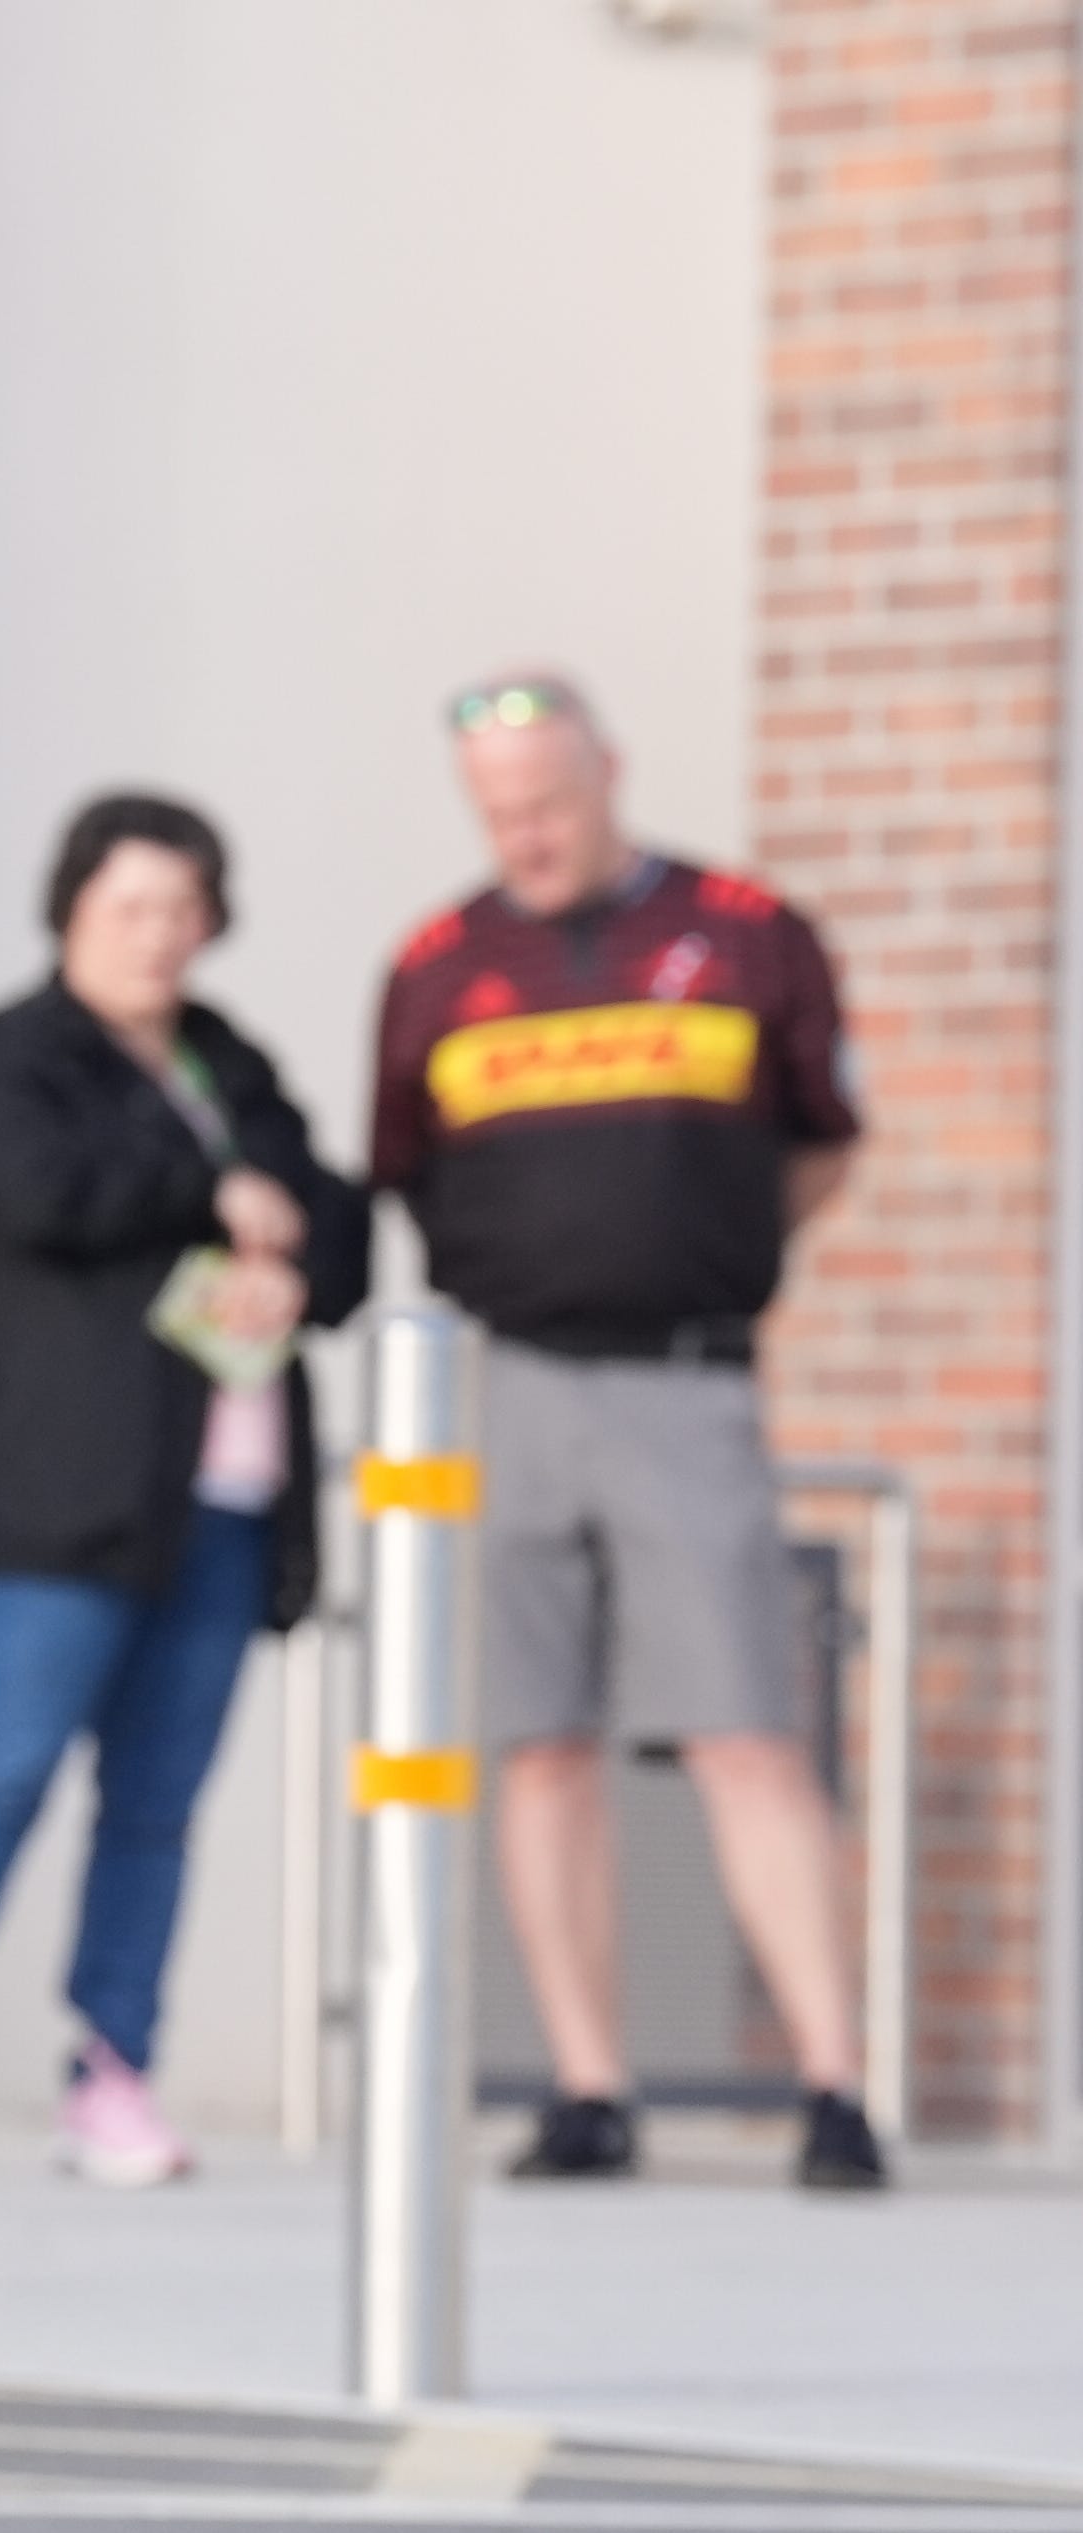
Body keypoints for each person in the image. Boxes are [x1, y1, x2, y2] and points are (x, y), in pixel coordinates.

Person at [371, 673, 889, 2190]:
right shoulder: (435, 964)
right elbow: (409, 1172)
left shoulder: (745, 931)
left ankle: (834, 2086)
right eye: (495, 811)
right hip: (511, 1391)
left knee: (745, 1729)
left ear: (609, 773)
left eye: (546, 801)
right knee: (537, 1747)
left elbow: (823, 1145)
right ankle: (589, 2085)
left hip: (687, 1383)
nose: (522, 835)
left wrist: (704, 1256)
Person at [0, 793, 373, 2186]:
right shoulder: (7, 1059)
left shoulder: (230, 1064)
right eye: (127, 907)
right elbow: (40, 1194)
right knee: (1, 1768)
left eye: (181, 910)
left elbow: (338, 1222)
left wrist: (289, 1247)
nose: (156, 937)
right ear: (72, 909)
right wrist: (216, 1203)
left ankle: (115, 2069)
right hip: (54, 1500)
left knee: (157, 1798)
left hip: (224, 1494)